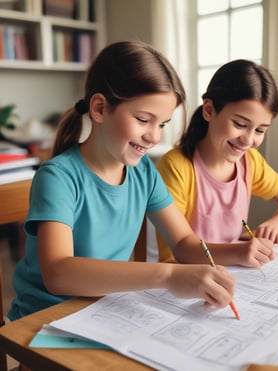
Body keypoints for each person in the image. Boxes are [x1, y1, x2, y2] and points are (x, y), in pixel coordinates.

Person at [7, 41, 235, 321]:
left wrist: (239, 253)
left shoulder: (144, 173)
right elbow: (59, 273)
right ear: (100, 108)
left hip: (102, 311)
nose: (154, 136)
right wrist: (168, 274)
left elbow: (185, 242)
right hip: (44, 320)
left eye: (162, 124)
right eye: (143, 119)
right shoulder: (58, 177)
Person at [156, 59, 278, 266]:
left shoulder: (250, 162)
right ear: (209, 110)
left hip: (233, 272)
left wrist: (276, 225)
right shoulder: (176, 167)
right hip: (183, 276)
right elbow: (179, 251)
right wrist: (237, 252)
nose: (248, 139)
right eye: (240, 124)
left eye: (260, 130)